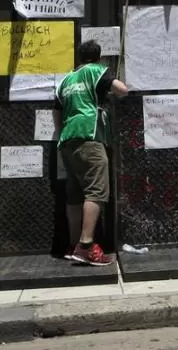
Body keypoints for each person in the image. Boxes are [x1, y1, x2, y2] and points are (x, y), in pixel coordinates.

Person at [54, 40, 128, 266]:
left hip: (67, 140)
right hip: (90, 136)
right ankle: (86, 246)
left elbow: (56, 113)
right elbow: (122, 90)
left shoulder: (66, 79)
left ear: (79, 57)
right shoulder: (97, 71)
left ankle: (73, 244)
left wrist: (61, 137)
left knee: (75, 194)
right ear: (98, 57)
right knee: (96, 191)